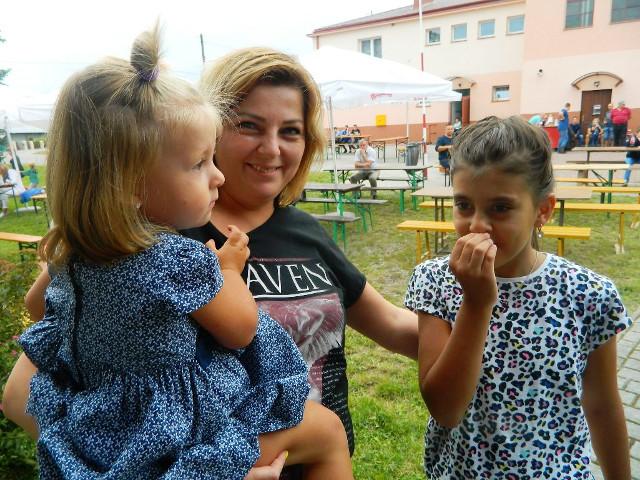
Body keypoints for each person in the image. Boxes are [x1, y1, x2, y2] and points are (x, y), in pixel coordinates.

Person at [4, 46, 418, 480]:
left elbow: (390, 322)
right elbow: (20, 394)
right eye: (249, 125)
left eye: (291, 130)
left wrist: (462, 330)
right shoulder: (154, 240)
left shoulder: (304, 229)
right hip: (202, 455)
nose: (272, 148)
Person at [406, 115, 631, 479]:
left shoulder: (589, 294)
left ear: (543, 210)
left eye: (500, 208)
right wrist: (476, 303)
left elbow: (603, 406)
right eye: (464, 205)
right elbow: (445, 410)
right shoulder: (435, 282)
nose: (477, 225)